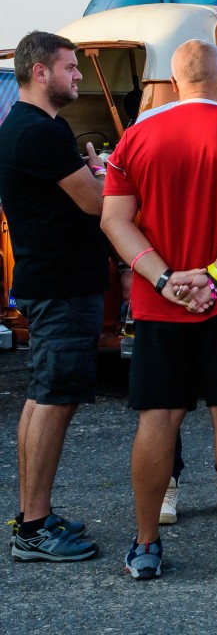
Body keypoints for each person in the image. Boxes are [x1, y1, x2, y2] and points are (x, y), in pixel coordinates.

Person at [101, 39, 217, 580]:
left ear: (175, 79)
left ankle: (144, 547)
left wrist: (164, 279)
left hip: (160, 305)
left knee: (156, 418)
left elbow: (115, 221)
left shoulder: (135, 137)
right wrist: (215, 278)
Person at [0, 32, 106, 563]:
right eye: (70, 67)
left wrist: (91, 171)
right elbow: (95, 203)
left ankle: (30, 515)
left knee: (42, 395)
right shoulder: (36, 133)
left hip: (52, 281)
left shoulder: (40, 127)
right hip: (61, 285)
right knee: (54, 399)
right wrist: (105, 175)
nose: (78, 75)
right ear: (40, 72)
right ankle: (34, 528)